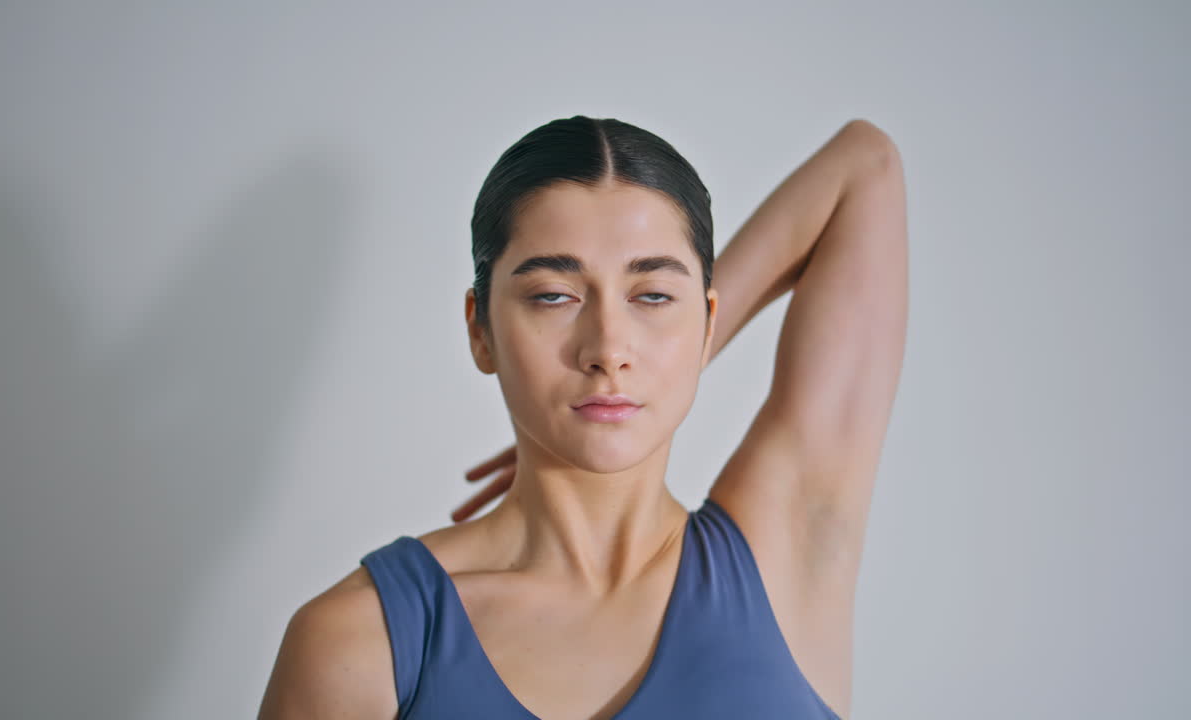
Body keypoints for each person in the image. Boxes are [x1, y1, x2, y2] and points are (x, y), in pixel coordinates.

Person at [258, 114, 907, 719]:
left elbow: (865, 166)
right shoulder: (358, 641)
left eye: (653, 295)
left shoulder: (783, 554)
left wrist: (669, 361)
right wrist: (652, 357)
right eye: (553, 296)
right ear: (480, 330)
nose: (607, 350)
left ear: (706, 323)